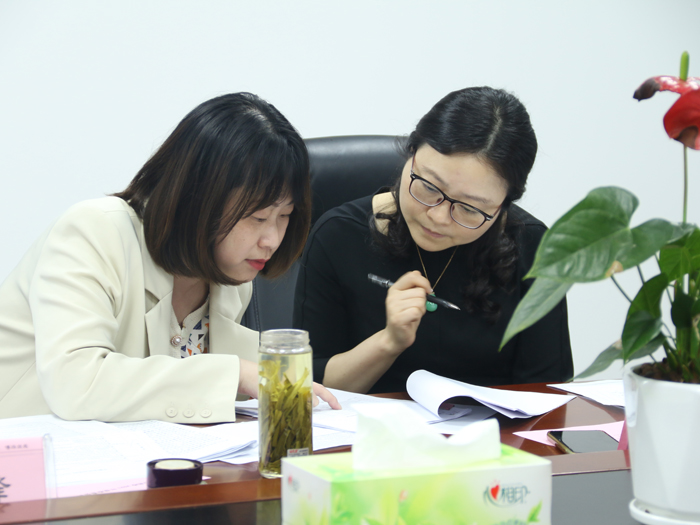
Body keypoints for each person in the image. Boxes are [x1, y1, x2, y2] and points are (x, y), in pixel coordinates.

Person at [0, 92, 338, 421]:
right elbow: (76, 383)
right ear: (199, 198)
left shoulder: (232, 279)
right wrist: (236, 373)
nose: (273, 239)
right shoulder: (94, 232)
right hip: (25, 448)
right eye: (258, 217)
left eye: (285, 216)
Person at [294, 86, 574, 394]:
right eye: (428, 187)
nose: (438, 217)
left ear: (503, 206)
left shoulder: (534, 248)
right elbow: (309, 386)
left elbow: (548, 392)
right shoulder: (338, 236)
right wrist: (389, 342)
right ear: (410, 155)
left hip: (495, 425)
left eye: (469, 208)